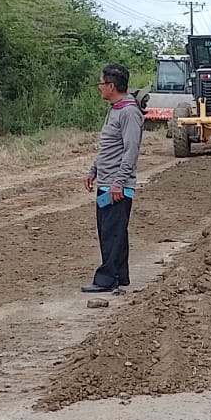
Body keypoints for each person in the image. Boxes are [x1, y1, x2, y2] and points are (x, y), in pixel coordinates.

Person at [81, 63, 143, 294]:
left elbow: (130, 151)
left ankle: (106, 279)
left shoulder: (129, 112)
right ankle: (119, 275)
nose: (99, 87)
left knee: (111, 233)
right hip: (107, 183)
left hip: (117, 187)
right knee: (112, 231)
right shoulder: (115, 109)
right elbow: (108, 147)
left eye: (101, 83)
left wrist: (119, 182)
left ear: (111, 86)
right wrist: (93, 170)